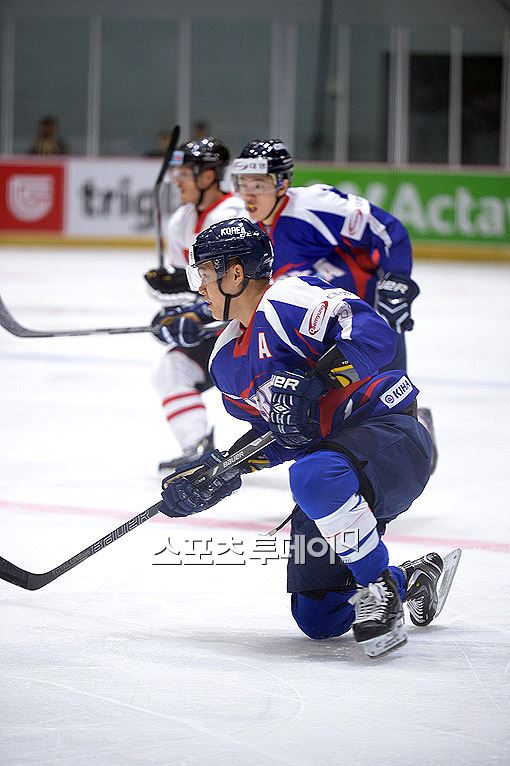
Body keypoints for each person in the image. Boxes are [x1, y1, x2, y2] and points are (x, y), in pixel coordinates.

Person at [157, 218, 458, 657]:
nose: (200, 287)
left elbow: (375, 334)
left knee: (313, 474)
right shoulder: (225, 360)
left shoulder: (291, 298)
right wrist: (219, 472)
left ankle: (378, 588)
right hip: (334, 467)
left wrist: (319, 377)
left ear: (235, 274)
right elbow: (281, 432)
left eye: (204, 273)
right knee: (320, 617)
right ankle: (409, 578)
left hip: (391, 435)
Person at [230, 139, 438, 470]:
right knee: (333, 411)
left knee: (389, 404)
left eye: (259, 184)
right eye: (242, 184)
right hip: (322, 329)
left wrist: (396, 280)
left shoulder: (314, 205)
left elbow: (387, 230)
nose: (248, 194)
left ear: (283, 183)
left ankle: (414, 432)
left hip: (368, 322)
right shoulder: (252, 231)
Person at [144, 137, 246, 471]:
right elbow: (192, 290)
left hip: (250, 329)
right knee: (172, 368)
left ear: (208, 177)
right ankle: (198, 450)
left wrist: (195, 313)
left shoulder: (235, 215)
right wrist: (173, 302)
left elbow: (246, 284)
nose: (177, 179)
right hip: (218, 328)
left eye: (186, 172)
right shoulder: (181, 221)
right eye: (177, 172)